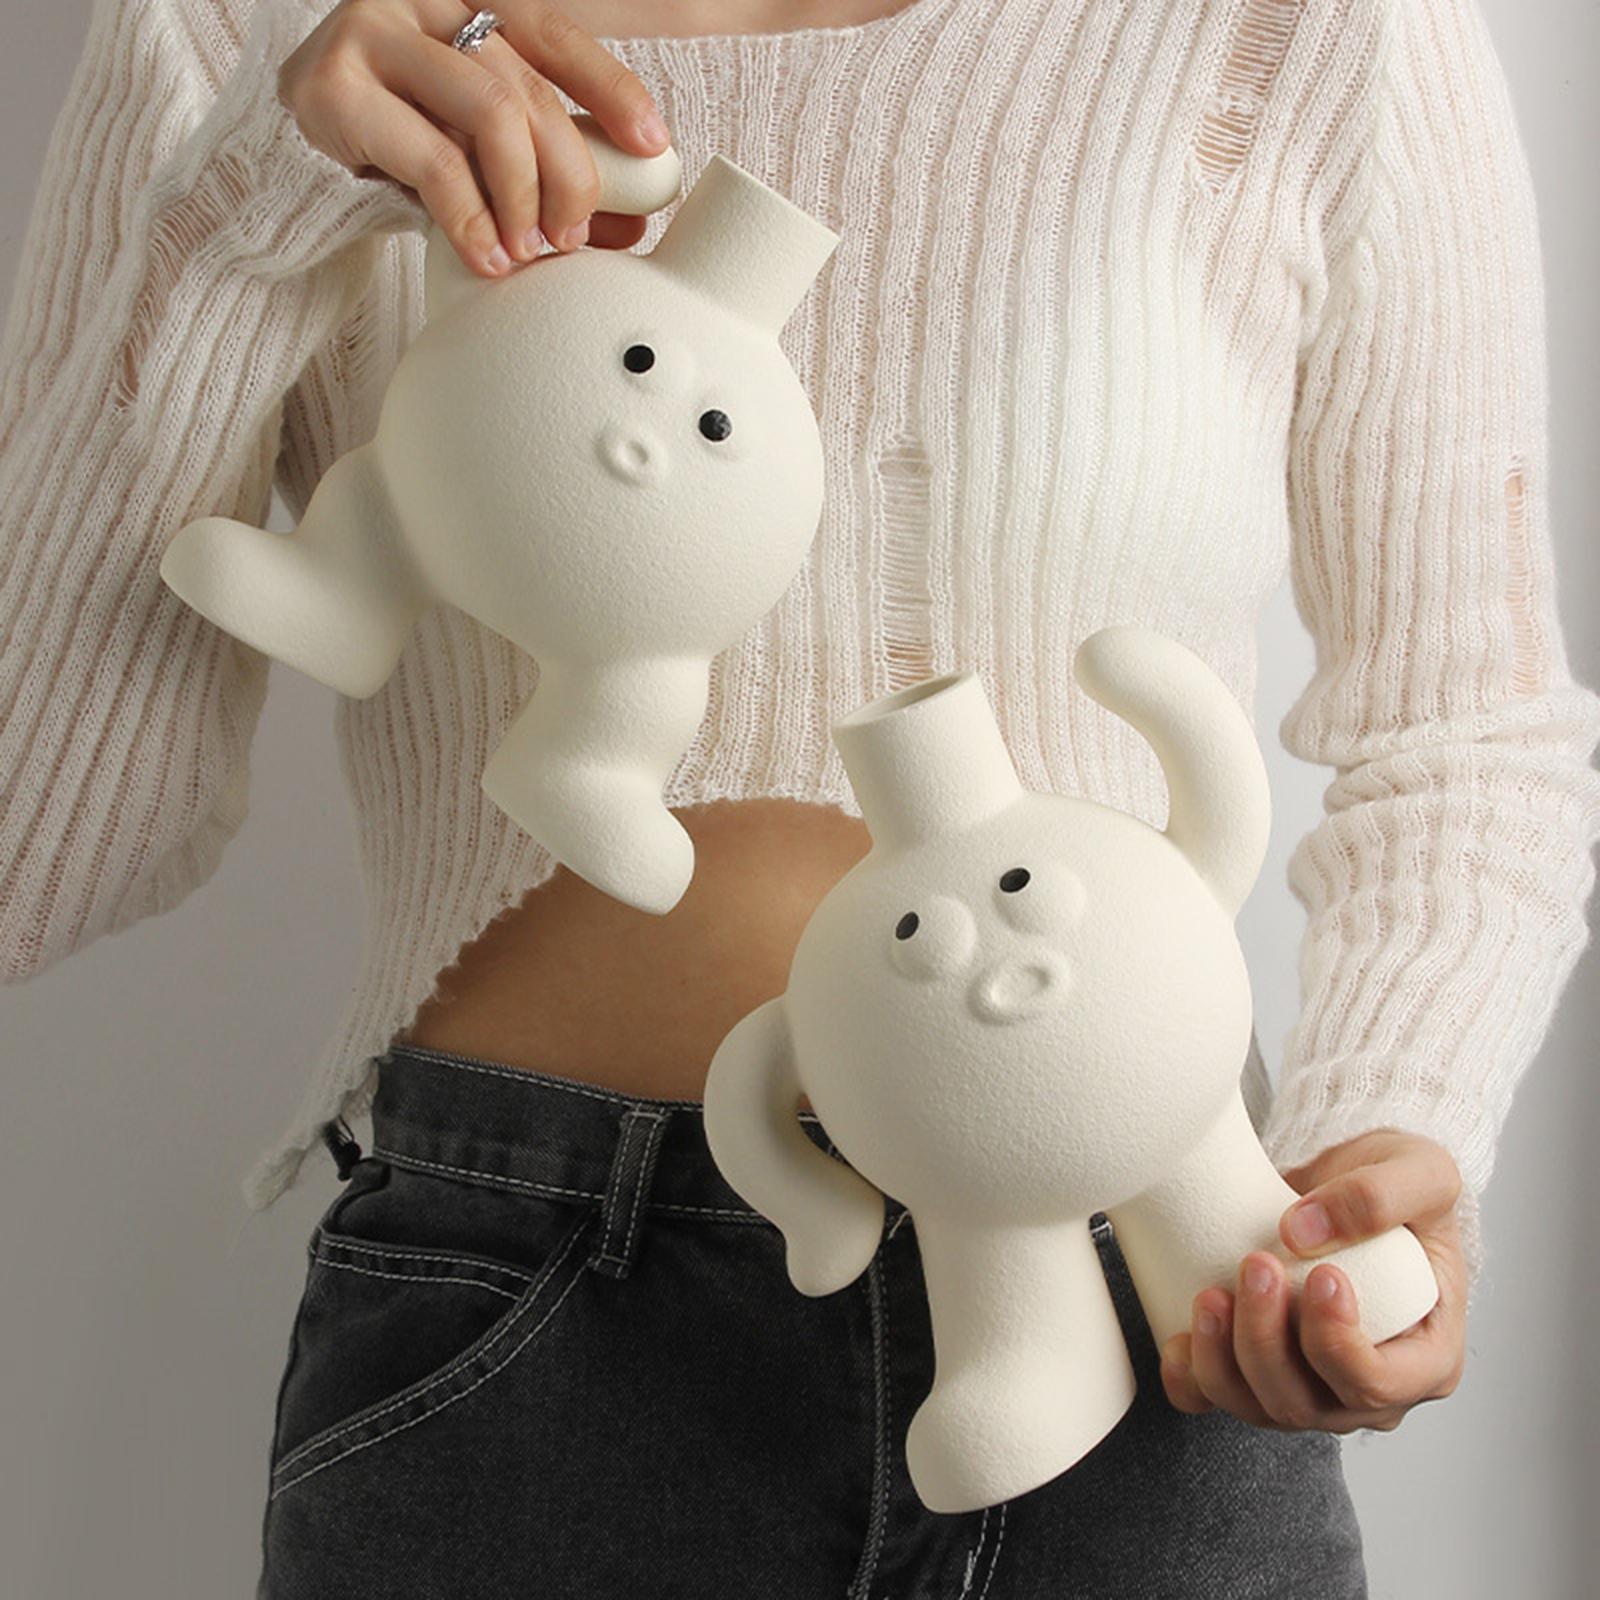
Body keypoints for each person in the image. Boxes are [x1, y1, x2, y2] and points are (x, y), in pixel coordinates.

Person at [1, 0, 1596, 1592]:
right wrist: (247, 216)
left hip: (1167, 1315)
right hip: (524, 1343)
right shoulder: (245, 28)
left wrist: (1379, 1149)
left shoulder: (1306, 28)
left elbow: (1465, 728)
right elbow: (37, 863)